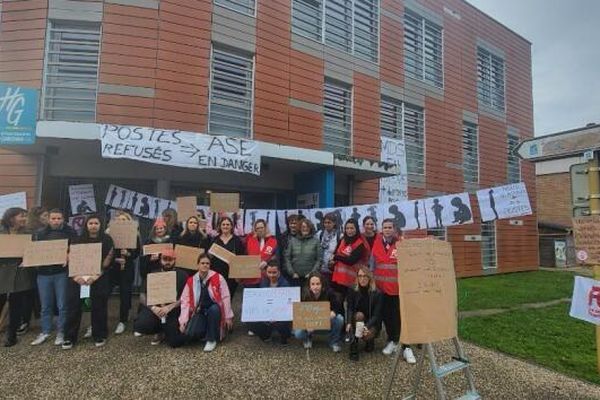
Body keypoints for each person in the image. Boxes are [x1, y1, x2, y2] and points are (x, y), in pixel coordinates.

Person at [62, 215, 114, 349]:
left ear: (100, 225)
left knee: (99, 307)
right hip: (77, 278)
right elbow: (70, 258)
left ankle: (99, 335)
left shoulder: (107, 239)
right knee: (73, 307)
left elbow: (108, 259)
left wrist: (95, 276)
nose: (93, 225)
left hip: (98, 278)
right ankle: (69, 337)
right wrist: (76, 277)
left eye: (96, 223)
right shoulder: (76, 239)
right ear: (86, 225)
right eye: (90, 223)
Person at [371, 218, 416, 363]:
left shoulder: (401, 244)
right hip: (381, 289)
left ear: (394, 229)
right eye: (385, 227)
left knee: (400, 317)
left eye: (390, 227)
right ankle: (392, 340)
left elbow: (409, 265)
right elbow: (372, 265)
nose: (388, 229)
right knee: (387, 317)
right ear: (381, 229)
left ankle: (406, 347)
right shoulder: (376, 244)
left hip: (397, 289)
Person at [30, 209, 76, 346]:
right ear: (48, 219)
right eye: (53, 218)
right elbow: (33, 250)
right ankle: (45, 331)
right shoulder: (39, 234)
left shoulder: (70, 233)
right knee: (45, 305)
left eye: (59, 218)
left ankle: (61, 332)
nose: (56, 221)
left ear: (63, 219)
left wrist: (69, 255)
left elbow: (75, 249)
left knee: (62, 304)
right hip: (43, 274)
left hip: (61, 272)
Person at [178, 255, 233, 352]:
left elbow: (226, 297)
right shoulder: (191, 281)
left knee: (214, 309)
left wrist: (228, 317)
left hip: (214, 311)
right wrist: (183, 320)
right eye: (202, 263)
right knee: (191, 334)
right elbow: (185, 301)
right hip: (199, 311)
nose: (205, 265)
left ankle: (211, 339)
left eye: (207, 263)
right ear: (197, 265)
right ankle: (204, 332)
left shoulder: (218, 277)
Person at [133, 248, 188, 346]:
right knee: (141, 325)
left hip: (173, 311)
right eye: (165, 259)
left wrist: (169, 307)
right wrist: (153, 308)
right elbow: (142, 295)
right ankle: (158, 331)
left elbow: (187, 296)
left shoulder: (183, 275)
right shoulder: (152, 274)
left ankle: (165, 331)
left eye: (170, 259)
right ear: (160, 260)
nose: (167, 262)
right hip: (155, 310)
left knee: (175, 342)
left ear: (175, 260)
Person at [0, 207, 35, 347]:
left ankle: (11, 335)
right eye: (22, 216)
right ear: (11, 218)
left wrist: (29, 261)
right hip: (2, 272)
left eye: (25, 216)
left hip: (20, 273)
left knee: (16, 306)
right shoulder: (1, 233)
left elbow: (33, 252)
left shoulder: (28, 234)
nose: (24, 219)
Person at [107, 211, 141, 335]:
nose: (122, 222)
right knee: (105, 291)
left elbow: (137, 252)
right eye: (119, 220)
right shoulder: (109, 234)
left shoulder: (134, 235)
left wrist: (128, 254)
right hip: (112, 268)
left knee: (125, 294)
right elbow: (106, 251)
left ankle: (122, 319)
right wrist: (115, 258)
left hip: (127, 268)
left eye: (124, 220)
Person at [293, 272, 344, 352]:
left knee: (339, 319)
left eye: (318, 284)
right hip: (309, 322)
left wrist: (334, 312)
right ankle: (307, 338)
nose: (315, 287)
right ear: (309, 286)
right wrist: (306, 325)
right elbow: (300, 313)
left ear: (322, 284)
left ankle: (334, 342)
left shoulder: (329, 292)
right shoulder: (304, 294)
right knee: (298, 333)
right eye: (313, 284)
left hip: (325, 320)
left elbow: (337, 305)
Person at [247, 261, 291, 345]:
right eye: (269, 272)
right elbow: (260, 300)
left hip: (280, 314)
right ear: (266, 272)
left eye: (274, 272)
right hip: (266, 312)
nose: (271, 275)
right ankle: (265, 336)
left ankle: (284, 337)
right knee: (250, 320)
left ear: (279, 272)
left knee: (283, 321)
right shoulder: (263, 282)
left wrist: (277, 315)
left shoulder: (285, 284)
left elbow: (287, 305)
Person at [346, 266, 383, 361]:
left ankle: (369, 341)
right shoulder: (352, 289)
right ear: (357, 277)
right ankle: (353, 348)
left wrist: (366, 326)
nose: (362, 279)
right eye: (360, 276)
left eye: (365, 276)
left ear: (370, 277)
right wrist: (349, 322)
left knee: (367, 339)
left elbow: (376, 315)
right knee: (359, 315)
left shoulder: (377, 293)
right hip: (357, 319)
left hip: (371, 322)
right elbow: (349, 307)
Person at [209, 216, 245, 299]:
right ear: (220, 226)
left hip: (231, 275)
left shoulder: (237, 240)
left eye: (228, 224)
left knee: (228, 298)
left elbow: (241, 257)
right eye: (223, 224)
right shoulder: (215, 240)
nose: (225, 226)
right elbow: (209, 256)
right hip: (217, 273)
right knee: (217, 298)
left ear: (231, 226)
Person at [331, 219, 366, 298]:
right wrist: (332, 260)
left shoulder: (360, 244)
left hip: (351, 280)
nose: (349, 230)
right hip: (337, 278)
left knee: (350, 304)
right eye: (347, 228)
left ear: (356, 229)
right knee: (338, 302)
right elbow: (335, 253)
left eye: (352, 228)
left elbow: (351, 261)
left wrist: (336, 257)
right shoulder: (342, 240)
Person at [284, 219, 321, 288]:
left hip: (310, 278)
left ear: (311, 228)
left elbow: (319, 259)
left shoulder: (316, 241)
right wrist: (292, 272)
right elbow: (287, 257)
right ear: (299, 228)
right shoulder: (292, 241)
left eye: (307, 227)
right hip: (295, 277)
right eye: (303, 227)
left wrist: (312, 273)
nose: (305, 229)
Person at [243, 219, 278, 287]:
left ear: (265, 228)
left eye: (261, 227)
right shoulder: (249, 239)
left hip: (267, 275)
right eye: (257, 228)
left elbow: (276, 256)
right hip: (252, 274)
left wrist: (267, 262)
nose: (260, 230)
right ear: (255, 230)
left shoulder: (272, 240)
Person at [140, 217, 173, 282]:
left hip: (166, 270)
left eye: (161, 228)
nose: (159, 230)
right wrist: (150, 259)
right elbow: (142, 257)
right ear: (154, 230)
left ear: (165, 229)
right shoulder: (149, 242)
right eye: (157, 229)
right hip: (152, 270)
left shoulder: (170, 241)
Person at [317, 213, 340, 285]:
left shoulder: (339, 236)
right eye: (325, 222)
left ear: (334, 223)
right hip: (320, 270)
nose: (327, 224)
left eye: (329, 222)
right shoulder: (320, 234)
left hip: (332, 270)